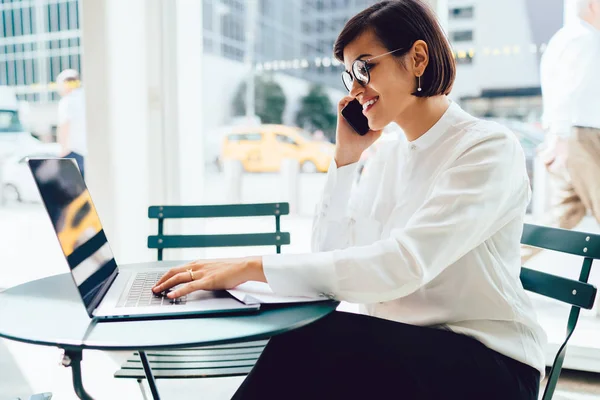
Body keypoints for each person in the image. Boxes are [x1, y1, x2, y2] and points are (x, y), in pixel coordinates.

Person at [153, 1, 545, 398]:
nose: (356, 90)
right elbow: (331, 253)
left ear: (418, 58)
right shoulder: (389, 153)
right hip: (406, 348)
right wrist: (345, 161)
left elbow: (402, 265)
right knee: (307, 341)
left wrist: (252, 267)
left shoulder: (486, 149)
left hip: (490, 364)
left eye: (364, 68)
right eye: (350, 75)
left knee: (308, 345)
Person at [533, 0, 600, 250]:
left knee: (563, 214)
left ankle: (509, 266)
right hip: (583, 136)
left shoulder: (569, 37)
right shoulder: (585, 39)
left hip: (574, 136)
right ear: (594, 5)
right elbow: (568, 92)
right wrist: (561, 138)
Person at [56, 69, 87, 179]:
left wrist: (62, 152)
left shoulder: (67, 102)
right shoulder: (86, 97)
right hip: (88, 152)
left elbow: (64, 126)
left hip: (74, 152)